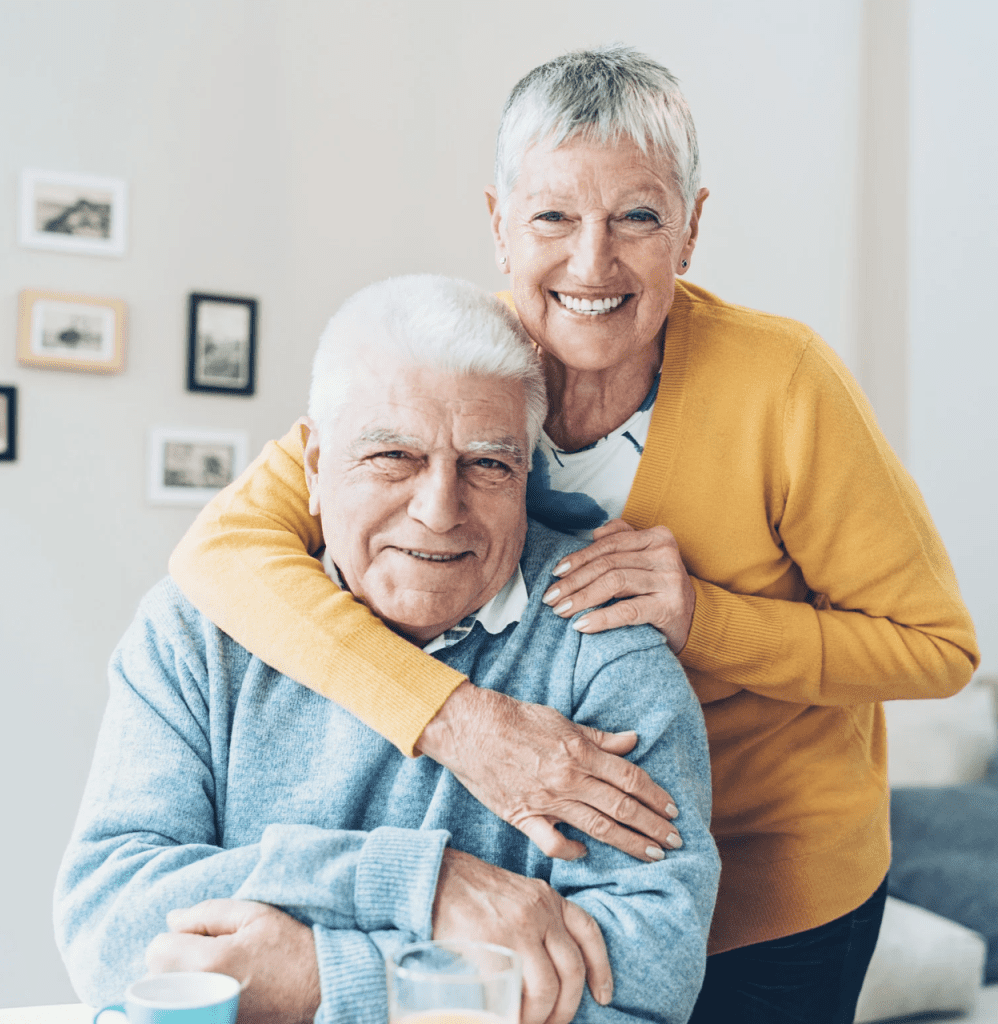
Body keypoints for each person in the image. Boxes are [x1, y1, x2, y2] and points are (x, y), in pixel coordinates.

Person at [167, 46, 980, 1023]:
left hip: (776, 885)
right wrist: (458, 723)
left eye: (637, 217)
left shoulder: (787, 385)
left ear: (690, 229)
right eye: (553, 216)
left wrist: (704, 617)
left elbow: (936, 650)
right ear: (498, 224)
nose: (592, 263)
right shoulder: (450, 364)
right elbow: (221, 552)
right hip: (544, 862)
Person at [55, 276, 719, 1024]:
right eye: (394, 456)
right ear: (313, 468)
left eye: (487, 464)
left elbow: (642, 986)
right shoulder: (195, 634)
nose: (438, 510)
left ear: (526, 476)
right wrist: (414, 884)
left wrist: (322, 980)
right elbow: (109, 927)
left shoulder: (602, 641)